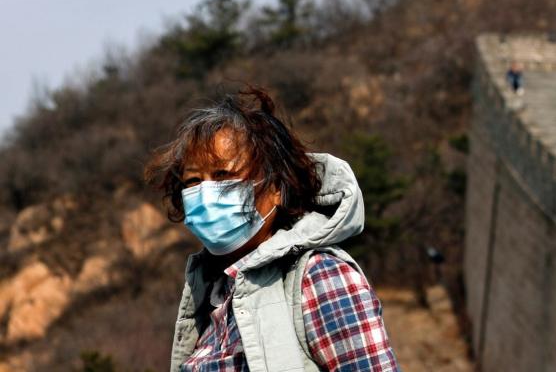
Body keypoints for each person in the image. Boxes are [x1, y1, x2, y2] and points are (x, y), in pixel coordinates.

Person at [145, 86, 401, 371]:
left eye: (223, 175)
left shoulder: (318, 276)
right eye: (193, 181)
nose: (205, 192)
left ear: (277, 186)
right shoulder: (211, 295)